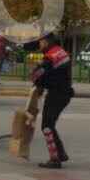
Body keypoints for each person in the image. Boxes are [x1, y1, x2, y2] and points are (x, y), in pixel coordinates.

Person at [31, 32, 74, 169]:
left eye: (41, 41)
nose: (39, 43)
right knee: (51, 124)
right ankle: (60, 154)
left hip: (57, 93)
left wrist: (37, 84)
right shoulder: (61, 52)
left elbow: (38, 73)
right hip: (64, 92)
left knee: (47, 126)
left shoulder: (50, 57)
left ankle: (55, 160)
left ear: (47, 41)